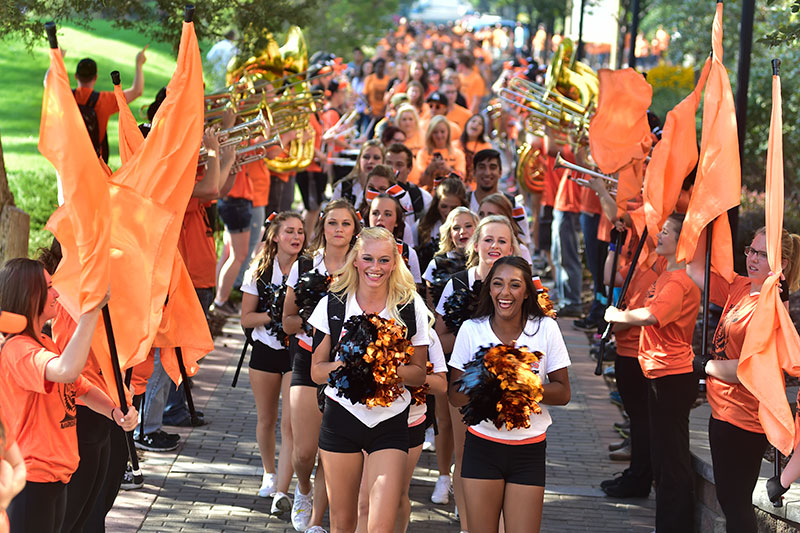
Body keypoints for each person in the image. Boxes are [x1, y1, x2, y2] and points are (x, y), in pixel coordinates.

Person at [308, 227, 431, 533]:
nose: (375, 267)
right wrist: (351, 365)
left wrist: (384, 366)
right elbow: (316, 371)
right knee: (343, 524)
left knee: (381, 525)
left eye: (384, 260)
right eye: (368, 258)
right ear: (355, 261)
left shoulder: (409, 305)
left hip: (390, 422)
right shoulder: (334, 303)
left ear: (395, 263)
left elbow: (418, 373)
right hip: (341, 418)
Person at [0, 259, 137, 532]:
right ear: (30, 295)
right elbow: (66, 370)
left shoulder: (44, 342)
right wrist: (91, 311)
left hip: (56, 478)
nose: (57, 294)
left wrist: (114, 411)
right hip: (31, 482)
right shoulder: (17, 349)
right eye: (49, 287)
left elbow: (81, 388)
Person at [687, 227, 800, 531]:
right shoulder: (741, 286)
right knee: (731, 501)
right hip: (722, 412)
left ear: (781, 263)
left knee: (735, 503)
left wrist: (704, 366)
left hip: (743, 419)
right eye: (751, 250)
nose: (752, 258)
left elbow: (747, 369)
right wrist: (702, 220)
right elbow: (695, 268)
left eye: (762, 254)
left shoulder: (770, 306)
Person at [449, 256, 571, 533]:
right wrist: (488, 379)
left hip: (529, 450)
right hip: (482, 447)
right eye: (498, 284)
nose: (505, 293)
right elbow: (455, 397)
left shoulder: (545, 328)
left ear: (527, 291)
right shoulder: (471, 329)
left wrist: (521, 382)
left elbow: (563, 392)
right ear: (489, 289)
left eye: (514, 285)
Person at [604, 213, 701, 533]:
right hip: (660, 374)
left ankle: (675, 526)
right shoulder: (665, 275)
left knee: (671, 460)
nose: (659, 236)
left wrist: (621, 315)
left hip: (671, 377)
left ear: (681, 240)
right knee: (663, 457)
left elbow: (653, 316)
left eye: (666, 232)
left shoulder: (678, 282)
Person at [433, 215, 520, 530]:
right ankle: (469, 525)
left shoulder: (525, 285)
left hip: (509, 385)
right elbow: (437, 339)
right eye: (488, 239)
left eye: (501, 241)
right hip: (466, 384)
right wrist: (470, 336)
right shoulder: (456, 283)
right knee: (466, 451)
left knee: (501, 455)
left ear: (512, 246)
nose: (494, 246)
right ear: (476, 244)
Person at [282, 200, 361, 533]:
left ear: (355, 229)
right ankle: (303, 489)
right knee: (303, 451)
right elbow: (285, 321)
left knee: (332, 446)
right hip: (305, 355)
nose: (339, 229)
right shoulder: (305, 267)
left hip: (346, 364)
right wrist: (316, 320)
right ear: (323, 227)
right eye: (332, 223)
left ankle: (317, 522)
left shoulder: (363, 265)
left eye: (346, 223)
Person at [240, 212, 305, 514]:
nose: (296, 237)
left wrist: (293, 319)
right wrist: (275, 315)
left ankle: (283, 488)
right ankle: (268, 472)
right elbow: (246, 318)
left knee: (290, 424)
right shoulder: (259, 270)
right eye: (289, 231)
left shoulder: (309, 270)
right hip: (265, 350)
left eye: (301, 232)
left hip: (295, 353)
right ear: (276, 236)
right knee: (267, 419)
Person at [69, 50, 147, 162]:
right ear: (95, 77)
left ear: (76, 76)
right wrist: (139, 64)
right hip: (94, 163)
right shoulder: (103, 100)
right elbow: (137, 91)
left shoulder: (66, 97)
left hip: (70, 159)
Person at [367, 193, 422, 284]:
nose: (380, 218)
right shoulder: (356, 248)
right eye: (375, 213)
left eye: (387, 214)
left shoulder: (408, 253)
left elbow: (414, 291)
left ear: (397, 221)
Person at [416, 177, 469, 270]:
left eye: (454, 208)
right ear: (437, 204)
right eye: (444, 206)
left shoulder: (472, 227)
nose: (448, 212)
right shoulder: (423, 225)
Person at [412, 116, 467, 188]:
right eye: (435, 132)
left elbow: (461, 179)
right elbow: (421, 182)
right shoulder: (422, 153)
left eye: (442, 132)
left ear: (448, 132)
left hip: (451, 192)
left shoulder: (458, 154)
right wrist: (429, 168)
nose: (439, 135)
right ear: (430, 134)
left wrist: (448, 169)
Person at [385, 143, 432, 223]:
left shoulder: (423, 197)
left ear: (409, 169)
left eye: (399, 165)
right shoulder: (373, 192)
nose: (393, 170)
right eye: (389, 164)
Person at [331, 139, 384, 210]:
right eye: (366, 157)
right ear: (359, 160)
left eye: (376, 158)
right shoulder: (344, 186)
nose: (371, 161)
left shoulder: (387, 189)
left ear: (383, 162)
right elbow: (330, 214)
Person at [458, 114, 492, 185]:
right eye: (473, 121)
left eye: (480, 124)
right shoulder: (454, 145)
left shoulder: (486, 147)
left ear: (482, 130)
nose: (476, 124)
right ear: (467, 124)